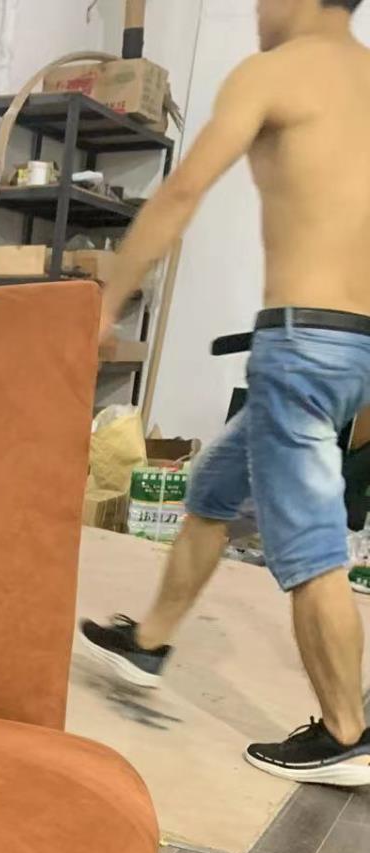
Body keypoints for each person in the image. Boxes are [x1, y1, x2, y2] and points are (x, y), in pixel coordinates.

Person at [81, 0, 370, 787]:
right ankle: (150, 643)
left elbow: (181, 192)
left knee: (310, 545)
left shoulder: (273, 73)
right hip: (354, 346)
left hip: (301, 346)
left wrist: (107, 302)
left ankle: (347, 733)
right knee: (214, 486)